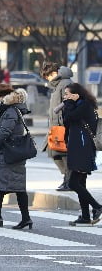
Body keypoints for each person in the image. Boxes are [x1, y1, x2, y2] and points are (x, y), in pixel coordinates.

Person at [0, 84, 32, 229]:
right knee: (12, 186)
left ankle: (1, 217)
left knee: (2, 184)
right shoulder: (8, 109)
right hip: (11, 153)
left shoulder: (10, 111)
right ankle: (19, 218)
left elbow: (4, 131)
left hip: (9, 153)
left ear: (4, 97)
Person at [60, 83, 102, 226]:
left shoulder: (84, 106)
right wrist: (69, 104)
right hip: (77, 147)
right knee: (81, 183)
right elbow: (66, 121)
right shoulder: (76, 105)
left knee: (73, 183)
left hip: (83, 148)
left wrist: (69, 104)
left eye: (67, 94)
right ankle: (85, 216)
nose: (65, 97)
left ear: (76, 94)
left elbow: (71, 117)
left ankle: (97, 207)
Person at [41, 62, 73, 191]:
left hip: (62, 126)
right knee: (54, 153)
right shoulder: (58, 85)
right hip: (55, 126)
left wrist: (63, 122)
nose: (47, 79)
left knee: (62, 154)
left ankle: (69, 181)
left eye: (47, 76)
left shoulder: (65, 83)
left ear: (53, 73)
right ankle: (67, 179)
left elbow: (68, 104)